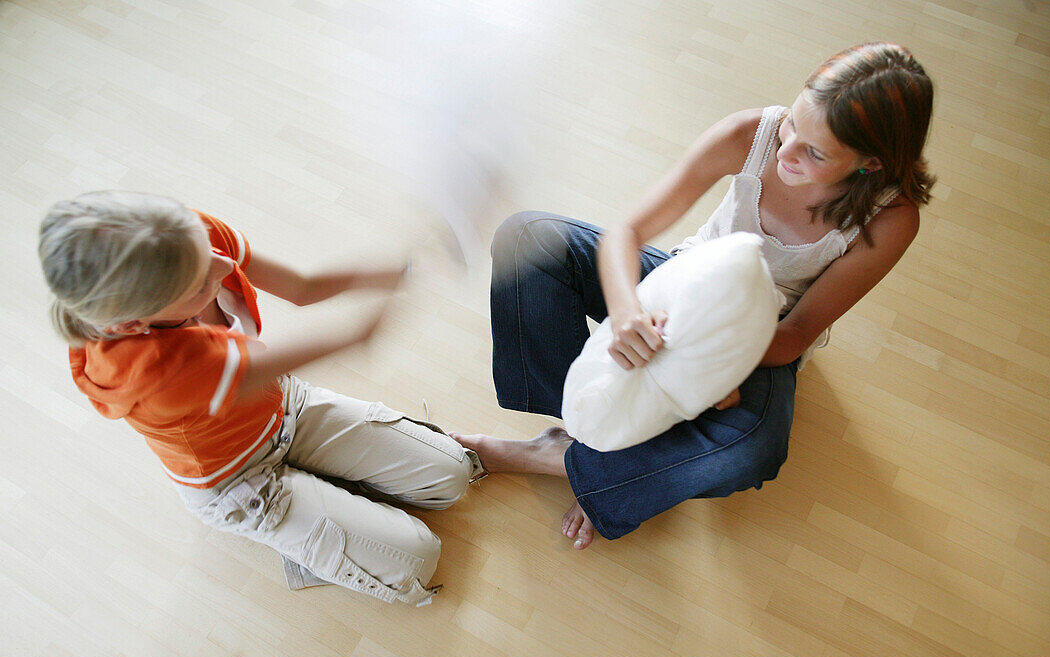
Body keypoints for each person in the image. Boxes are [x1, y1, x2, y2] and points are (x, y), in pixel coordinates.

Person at [453, 42, 935, 549]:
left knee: (753, 448)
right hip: (681, 282)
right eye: (793, 123)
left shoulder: (890, 219)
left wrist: (716, 365)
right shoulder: (750, 135)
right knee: (526, 240)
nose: (786, 149)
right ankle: (582, 432)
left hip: (763, 338)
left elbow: (797, 333)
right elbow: (626, 233)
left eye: (814, 152)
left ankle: (578, 464)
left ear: (870, 165)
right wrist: (625, 313)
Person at [40, 191, 484, 606]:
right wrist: (423, 260)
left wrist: (399, 269)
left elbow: (304, 288)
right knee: (419, 558)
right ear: (135, 323)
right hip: (241, 480)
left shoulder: (181, 241)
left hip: (281, 406)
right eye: (199, 286)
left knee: (452, 475)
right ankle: (303, 536)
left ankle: (327, 508)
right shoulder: (162, 371)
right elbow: (356, 337)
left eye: (207, 250)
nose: (221, 266)